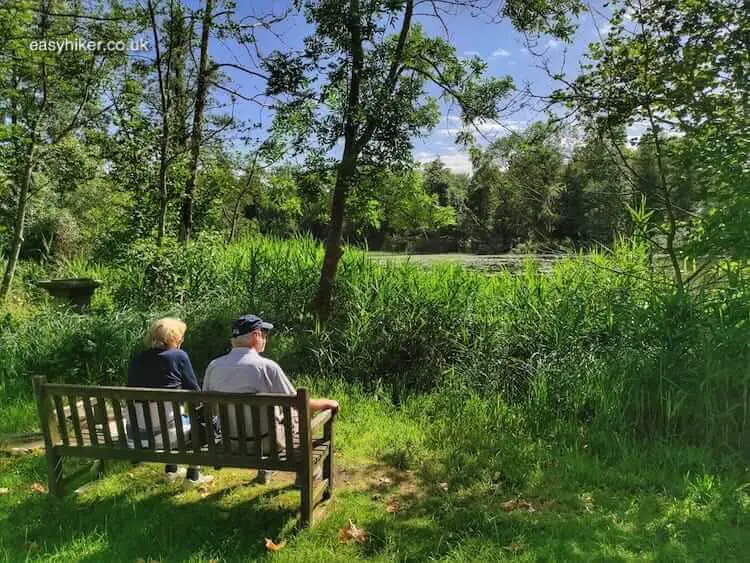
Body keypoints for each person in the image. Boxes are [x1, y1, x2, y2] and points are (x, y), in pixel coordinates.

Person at [203, 314, 339, 484]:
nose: (266, 339)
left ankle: (266, 470)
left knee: (271, 416)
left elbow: (208, 406)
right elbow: (301, 405)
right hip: (266, 444)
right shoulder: (267, 367)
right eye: (265, 335)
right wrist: (327, 403)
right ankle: (309, 474)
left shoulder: (213, 366)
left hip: (230, 443)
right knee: (295, 415)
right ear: (256, 336)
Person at [127, 317, 213, 488]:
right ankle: (193, 476)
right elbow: (195, 393)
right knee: (202, 421)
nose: (182, 340)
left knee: (172, 419)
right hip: (168, 435)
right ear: (173, 337)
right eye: (181, 336)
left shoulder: (137, 359)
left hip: (138, 437)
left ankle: (171, 470)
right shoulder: (179, 356)